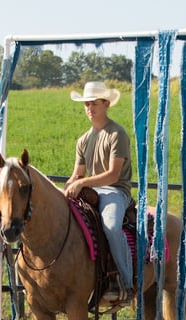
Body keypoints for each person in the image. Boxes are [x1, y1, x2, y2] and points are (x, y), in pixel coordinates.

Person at [64, 81, 135, 308]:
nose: (89, 108)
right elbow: (77, 174)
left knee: (111, 227)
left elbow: (113, 175)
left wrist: (83, 182)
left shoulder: (117, 133)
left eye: (94, 103)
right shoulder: (83, 140)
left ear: (106, 104)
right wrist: (65, 189)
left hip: (115, 191)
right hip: (91, 191)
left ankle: (126, 283)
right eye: (87, 104)